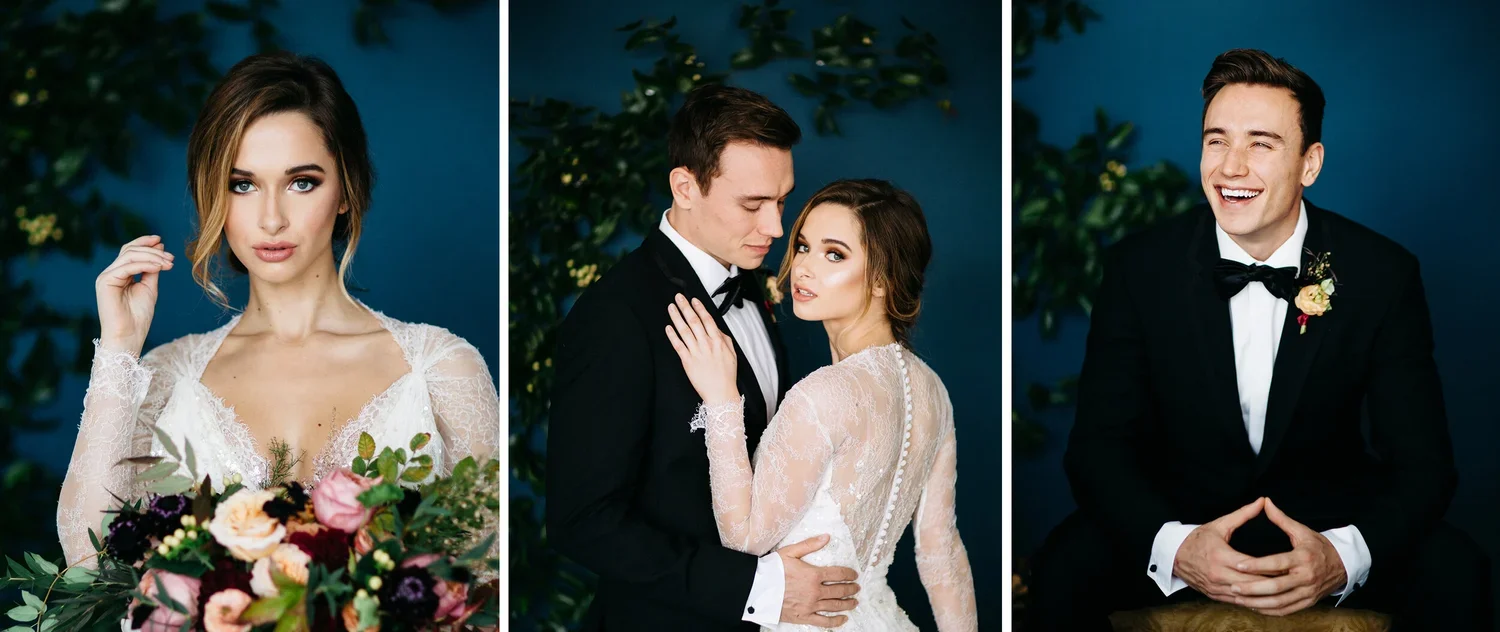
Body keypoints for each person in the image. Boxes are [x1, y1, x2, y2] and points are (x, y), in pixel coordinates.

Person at [1027, 48, 1490, 630]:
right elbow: (1097, 450)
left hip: (1327, 522)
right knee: (1064, 568)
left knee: (1456, 570)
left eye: (1261, 143)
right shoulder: (1137, 268)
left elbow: (1425, 465)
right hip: (1184, 518)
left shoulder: (1382, 273)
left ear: (1309, 163)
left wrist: (1341, 558)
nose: (1230, 167)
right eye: (1216, 140)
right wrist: (1178, 548)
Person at [56, 52, 499, 567]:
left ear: (346, 192)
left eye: (301, 182)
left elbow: (487, 580)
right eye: (242, 185)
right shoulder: (165, 378)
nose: (270, 219)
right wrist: (119, 349)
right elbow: (88, 565)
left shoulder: (442, 369)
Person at [547, 84, 861, 630]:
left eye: (782, 200)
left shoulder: (751, 284)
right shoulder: (615, 317)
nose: (776, 228)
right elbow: (584, 521)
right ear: (685, 186)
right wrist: (760, 586)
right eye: (752, 204)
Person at [667, 178, 977, 631]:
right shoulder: (933, 391)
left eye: (834, 254)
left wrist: (722, 399)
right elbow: (942, 552)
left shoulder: (823, 395)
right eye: (805, 246)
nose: (804, 268)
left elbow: (745, 539)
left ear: (881, 279)